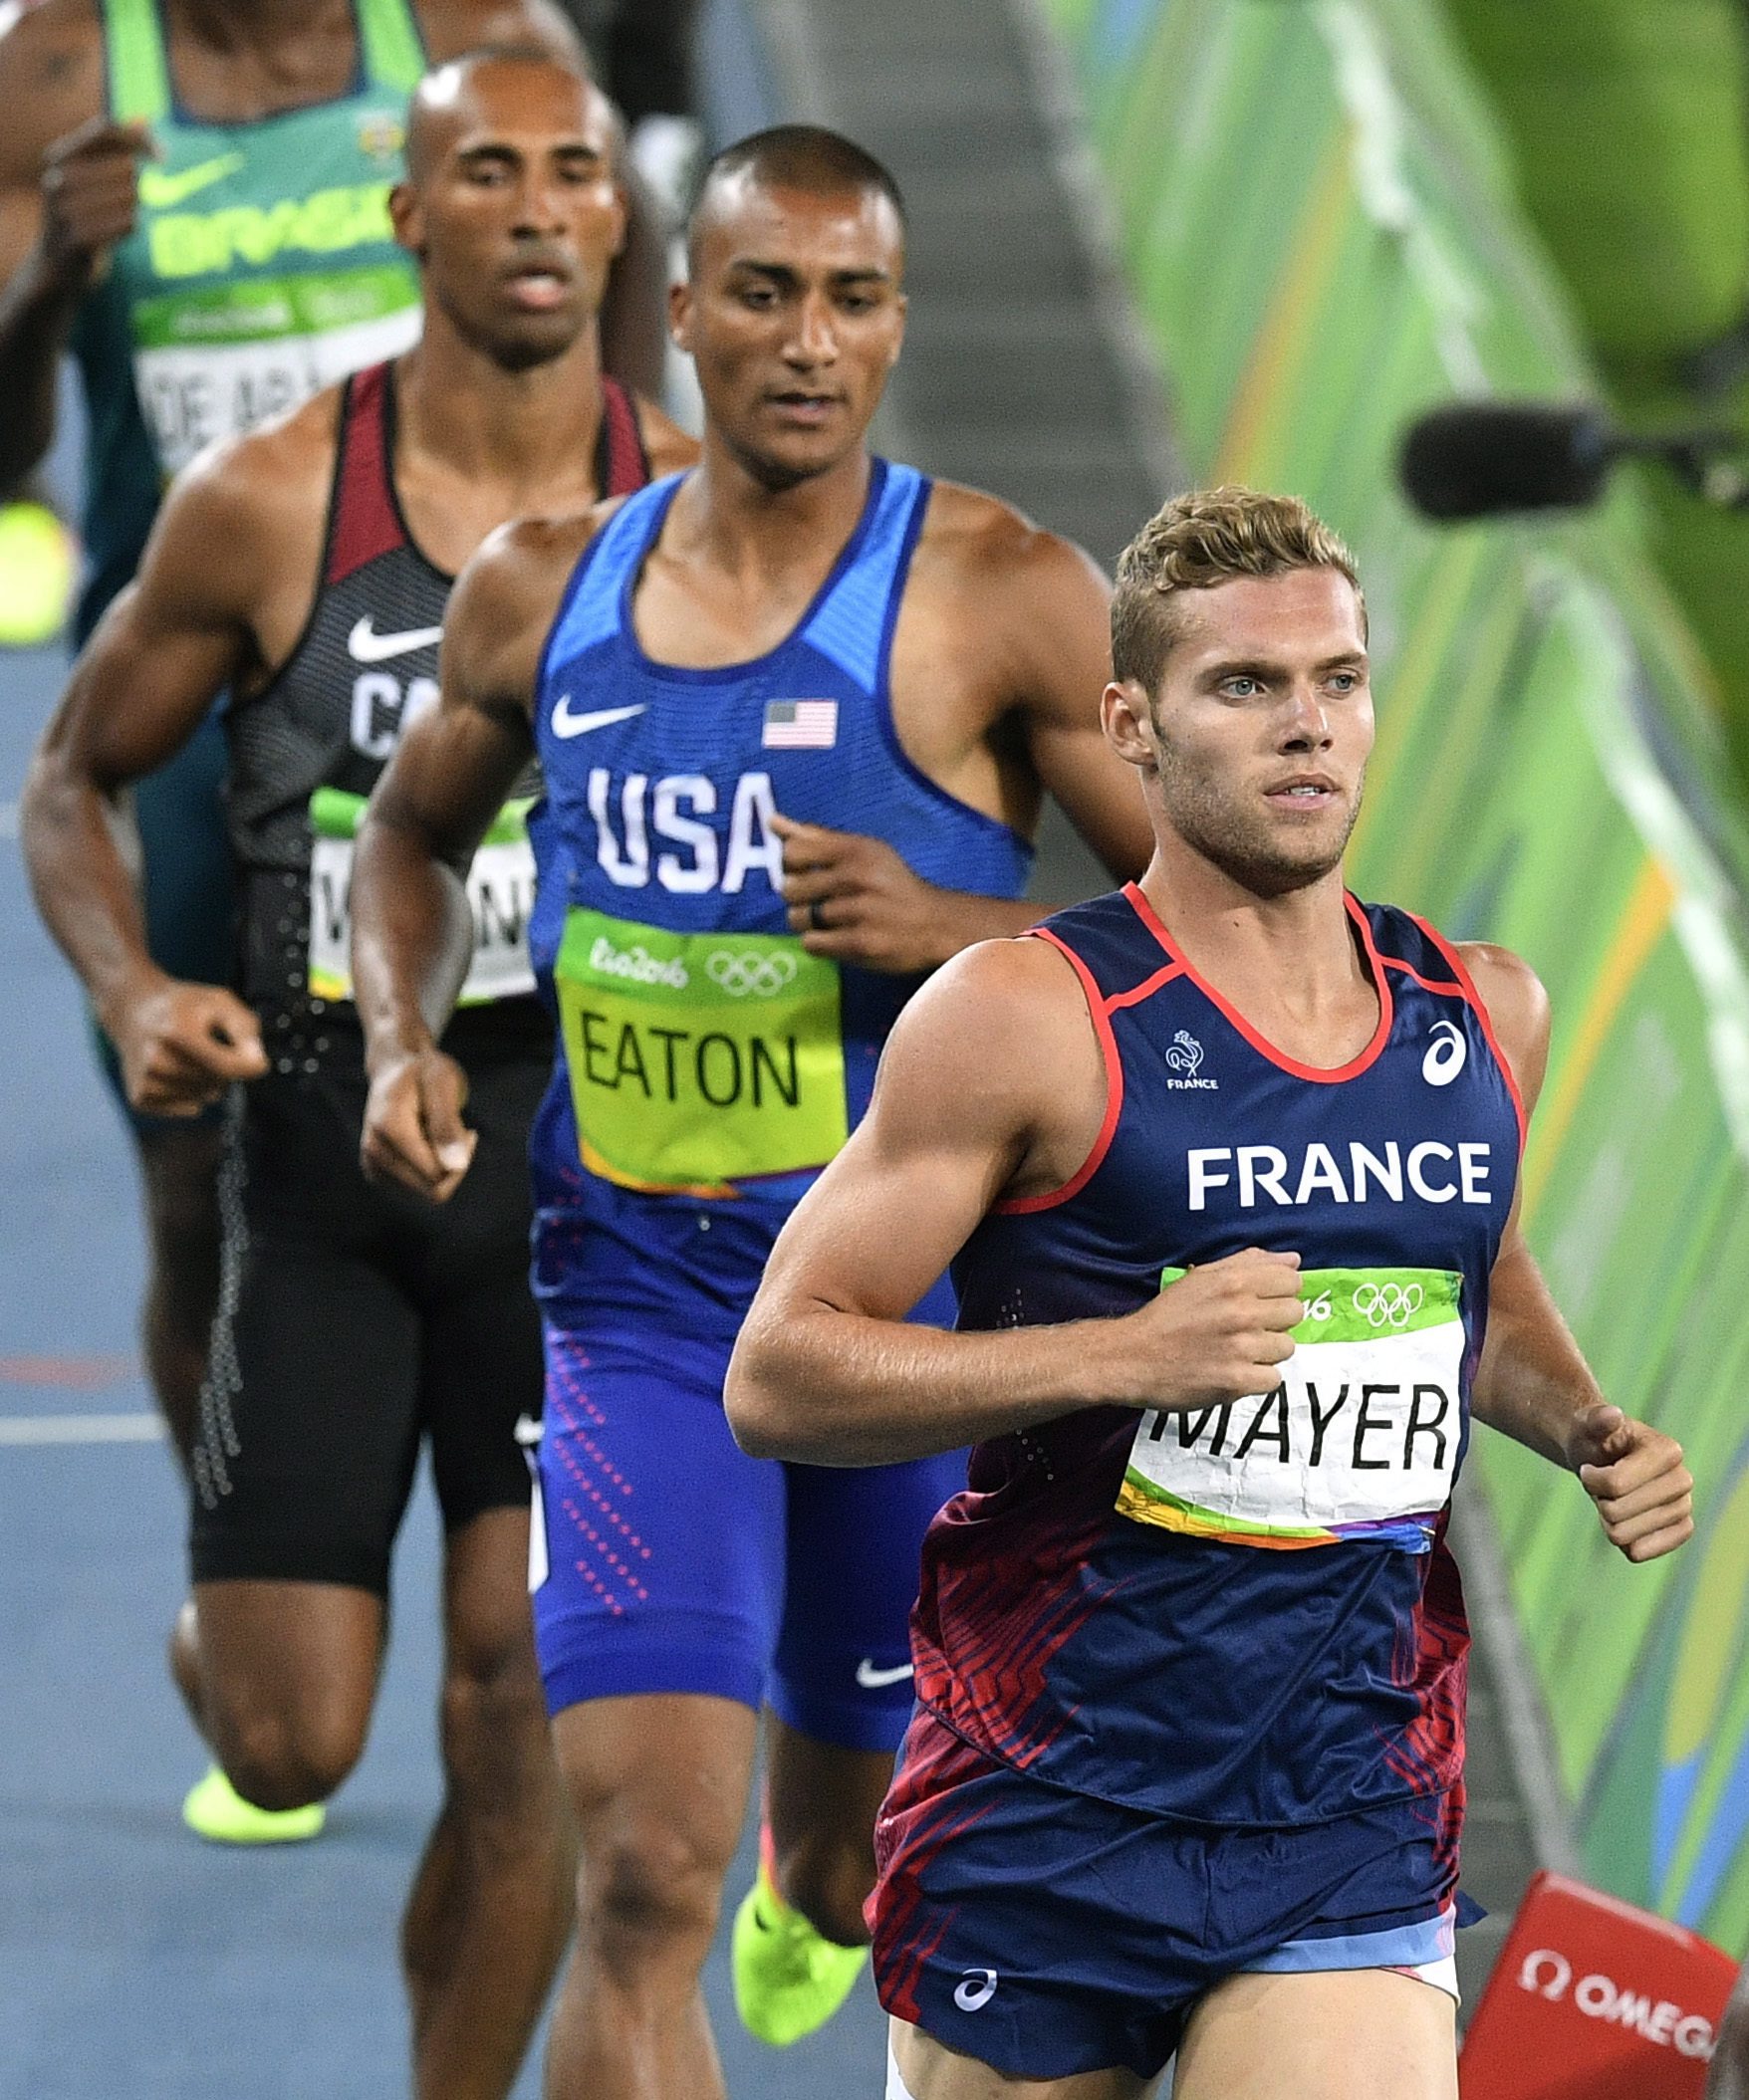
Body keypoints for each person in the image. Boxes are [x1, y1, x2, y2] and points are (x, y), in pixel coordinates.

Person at [347, 122, 1154, 2094]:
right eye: (767, 292)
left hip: (904, 1329)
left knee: (838, 1856)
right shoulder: (544, 586)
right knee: (643, 1875)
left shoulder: (997, 594)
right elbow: (406, 835)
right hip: (631, 1309)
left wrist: (960, 919)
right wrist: (398, 1029)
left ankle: (822, 1886)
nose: (808, 339)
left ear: (894, 325)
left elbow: (1214, 935)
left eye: (852, 297)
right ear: (683, 314)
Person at [723, 486, 1698, 2100]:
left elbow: (1476, 1272)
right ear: (1134, 724)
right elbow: (779, 1372)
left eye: (1339, 679)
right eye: (1246, 687)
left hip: (1345, 1793)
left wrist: (1582, 1419)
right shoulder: (1029, 1015)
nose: (1307, 727)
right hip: (1049, 1789)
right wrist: (1127, 1353)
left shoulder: (1479, 1012)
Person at [23, 47, 692, 2092]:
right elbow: (69, 780)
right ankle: (222, 1650)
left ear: (612, 222)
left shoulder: (695, 511)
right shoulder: (272, 503)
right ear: (407, 220)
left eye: (567, 173)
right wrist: (137, 984)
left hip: (576, 1177)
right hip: (318, 1153)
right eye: (477, 171)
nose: (525, 206)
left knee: (513, 1715)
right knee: (291, 1736)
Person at [0, 0, 665, 1504]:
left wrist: (627, 485)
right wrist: (51, 279)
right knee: (197, 1167)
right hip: (201, 680)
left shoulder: (468, 28)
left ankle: (544, 1553)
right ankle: (247, 1532)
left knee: (559, 1109)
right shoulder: (57, 71)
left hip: (497, 630)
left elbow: (621, 209)